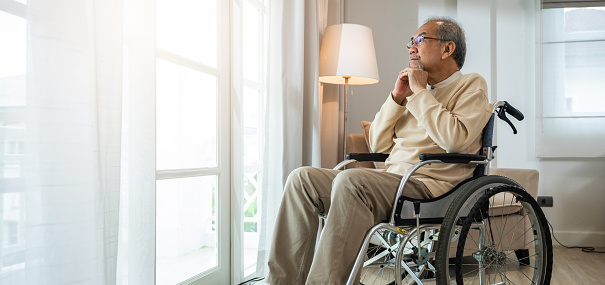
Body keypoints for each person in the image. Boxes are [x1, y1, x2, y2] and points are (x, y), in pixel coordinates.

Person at [265, 17, 492, 285]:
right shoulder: (412, 92)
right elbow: (378, 145)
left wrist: (419, 92)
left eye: (420, 40)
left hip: (432, 187)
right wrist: (397, 98)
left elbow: (455, 140)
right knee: (301, 179)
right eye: (410, 42)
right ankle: (280, 282)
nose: (411, 48)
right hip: (393, 182)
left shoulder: (471, 85)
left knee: (353, 181)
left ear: (447, 49)